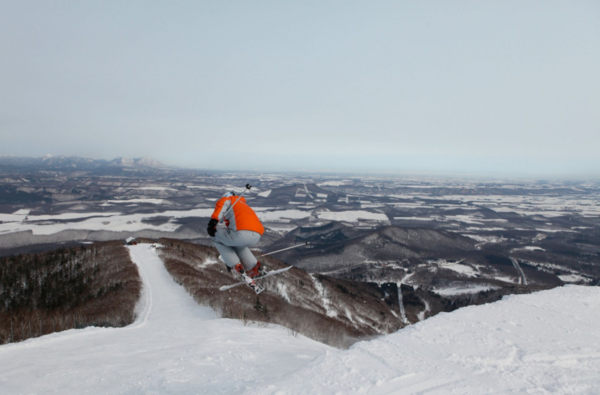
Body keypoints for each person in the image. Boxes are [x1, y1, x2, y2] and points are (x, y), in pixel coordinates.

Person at [207, 191, 266, 283]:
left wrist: (213, 223)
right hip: (257, 235)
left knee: (214, 235)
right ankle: (253, 268)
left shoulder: (229, 200)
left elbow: (222, 206)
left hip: (241, 233)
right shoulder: (243, 205)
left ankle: (234, 265)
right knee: (238, 245)